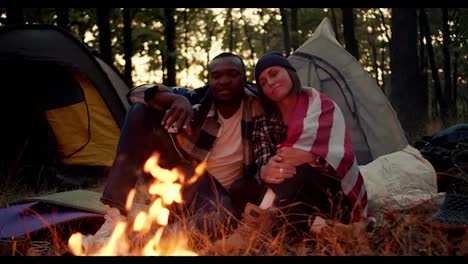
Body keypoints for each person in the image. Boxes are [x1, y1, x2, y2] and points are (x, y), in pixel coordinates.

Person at [82, 52, 265, 251]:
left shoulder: (258, 102)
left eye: (232, 74)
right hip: (189, 184)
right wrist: (176, 99)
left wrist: (304, 92)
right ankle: (115, 216)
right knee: (140, 111)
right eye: (216, 76)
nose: (224, 81)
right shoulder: (197, 99)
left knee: (225, 214)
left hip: (219, 198)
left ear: (245, 77)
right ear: (209, 80)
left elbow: (290, 93)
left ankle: (139, 243)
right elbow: (136, 94)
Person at [215, 51, 369, 251]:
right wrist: (264, 171)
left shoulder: (319, 105)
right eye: (262, 82)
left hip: (326, 191)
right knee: (241, 188)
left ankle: (249, 231)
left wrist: (313, 157)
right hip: (285, 195)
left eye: (274, 73)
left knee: (296, 169)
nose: (269, 82)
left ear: (290, 73)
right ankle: (329, 230)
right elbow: (263, 161)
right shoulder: (264, 121)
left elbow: (342, 157)